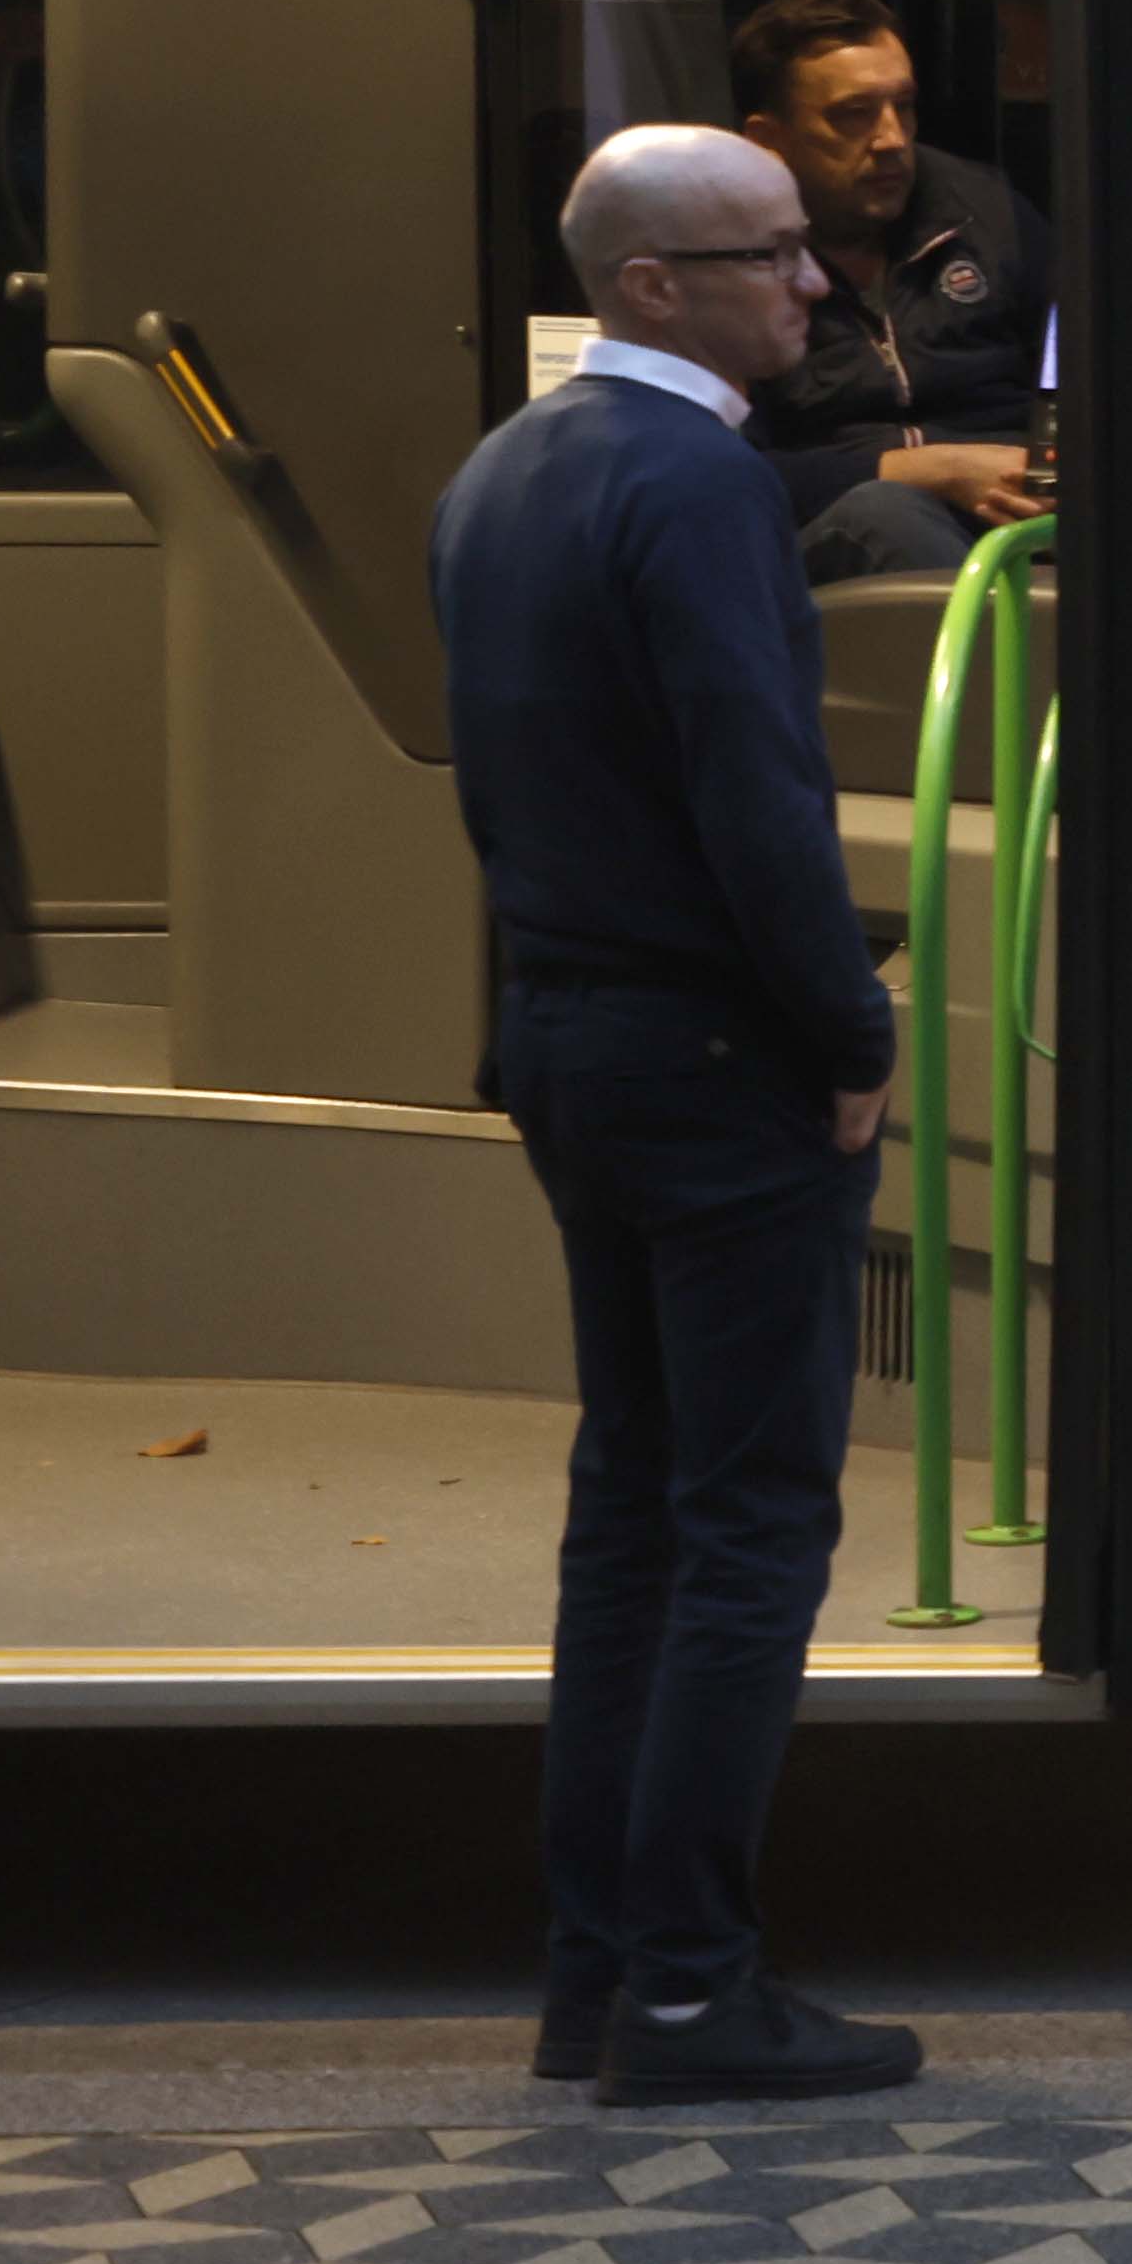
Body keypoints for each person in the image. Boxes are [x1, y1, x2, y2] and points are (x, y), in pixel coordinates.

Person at [432, 124, 923, 2106]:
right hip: (718, 1057)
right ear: (650, 281)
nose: (812, 280)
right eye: (770, 249)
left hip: (567, 1031)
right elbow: (754, 790)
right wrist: (849, 1021)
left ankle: (598, 1975)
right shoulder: (699, 482)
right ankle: (700, 1987)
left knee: (630, 1510)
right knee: (746, 1525)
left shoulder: (502, 473)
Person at [731, 0, 1054, 587]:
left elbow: (1080, 373)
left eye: (902, 106)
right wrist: (926, 468)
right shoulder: (727, 256)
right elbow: (723, 472)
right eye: (854, 115)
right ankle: (1006, 679)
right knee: (885, 515)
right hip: (829, 546)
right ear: (768, 141)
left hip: (1011, 513)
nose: (891, 140)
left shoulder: (982, 211)